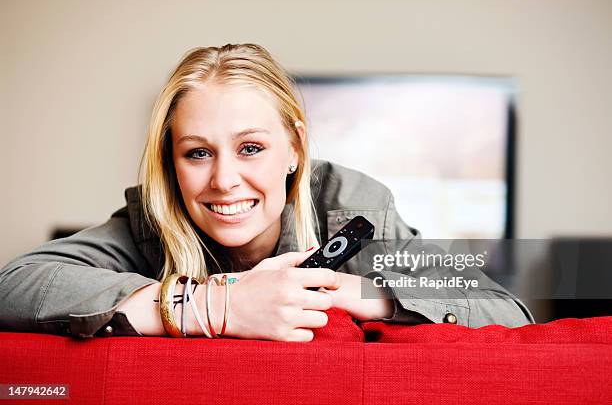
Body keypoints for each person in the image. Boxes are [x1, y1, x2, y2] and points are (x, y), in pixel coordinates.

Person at [0, 43, 534, 341]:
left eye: (251, 148)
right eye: (198, 153)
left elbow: (506, 311)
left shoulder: (357, 209)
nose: (225, 180)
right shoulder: (152, 220)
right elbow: (12, 285)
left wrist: (359, 295)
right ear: (171, 161)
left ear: (295, 147)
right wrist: (212, 305)